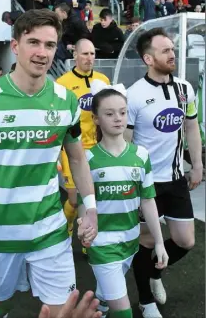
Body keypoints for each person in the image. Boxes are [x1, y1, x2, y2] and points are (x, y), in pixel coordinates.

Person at [0, 9, 98, 318]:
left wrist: (90, 207)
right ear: (16, 46)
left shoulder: (66, 100)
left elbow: (77, 156)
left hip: (49, 230)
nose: (42, 53)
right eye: (33, 42)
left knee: (62, 311)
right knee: (0, 303)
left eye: (50, 45)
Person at [126, 28, 203, 318]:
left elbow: (191, 127)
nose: (172, 54)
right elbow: (127, 144)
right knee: (146, 242)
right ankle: (146, 302)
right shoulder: (133, 96)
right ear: (148, 58)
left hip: (175, 179)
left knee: (186, 241)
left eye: (172, 49)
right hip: (146, 185)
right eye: (165, 50)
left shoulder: (185, 89)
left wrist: (196, 164)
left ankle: (155, 272)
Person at [77, 81, 168, 318]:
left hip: (130, 241)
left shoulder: (141, 155)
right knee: (123, 311)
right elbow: (83, 203)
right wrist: (84, 225)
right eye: (109, 113)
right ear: (95, 118)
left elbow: (148, 200)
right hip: (102, 244)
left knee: (108, 292)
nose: (118, 118)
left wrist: (159, 242)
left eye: (122, 112)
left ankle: (100, 304)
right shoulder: (88, 159)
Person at [56, 39, 110, 237]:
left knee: (92, 197)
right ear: (75, 56)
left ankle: (88, 234)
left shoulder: (103, 80)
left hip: (96, 146)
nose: (89, 58)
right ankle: (67, 225)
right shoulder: (62, 83)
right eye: (85, 54)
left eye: (92, 54)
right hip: (71, 147)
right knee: (73, 198)